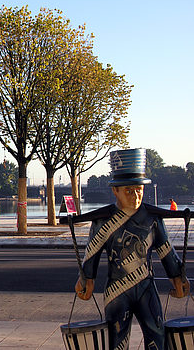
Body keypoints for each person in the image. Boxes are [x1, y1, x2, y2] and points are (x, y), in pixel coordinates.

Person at [75, 148, 189, 350]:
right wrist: (87, 279)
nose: (135, 196)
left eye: (139, 190)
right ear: (115, 191)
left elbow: (166, 252)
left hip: (146, 287)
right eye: (128, 190)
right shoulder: (103, 222)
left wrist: (177, 277)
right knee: (117, 340)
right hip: (117, 291)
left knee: (157, 335)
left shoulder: (152, 219)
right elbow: (92, 254)